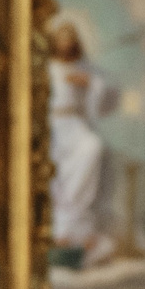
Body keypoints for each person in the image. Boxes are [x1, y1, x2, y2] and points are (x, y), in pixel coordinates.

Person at [48, 20, 119, 268]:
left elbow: (101, 90)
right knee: (50, 163)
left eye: (70, 38)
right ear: (55, 42)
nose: (65, 43)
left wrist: (88, 84)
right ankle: (62, 221)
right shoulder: (46, 67)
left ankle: (75, 208)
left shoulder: (81, 67)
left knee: (92, 147)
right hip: (52, 127)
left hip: (75, 124)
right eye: (61, 38)